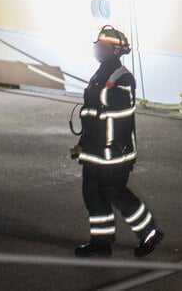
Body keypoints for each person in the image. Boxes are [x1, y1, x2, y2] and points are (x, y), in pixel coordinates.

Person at [72, 25, 164, 258]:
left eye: (103, 47)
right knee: (92, 193)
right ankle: (101, 242)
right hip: (93, 150)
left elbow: (118, 109)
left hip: (115, 151)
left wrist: (98, 95)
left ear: (115, 51)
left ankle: (150, 232)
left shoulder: (122, 77)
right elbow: (90, 114)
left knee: (116, 193)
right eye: (97, 46)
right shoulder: (98, 75)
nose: (98, 50)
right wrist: (82, 144)